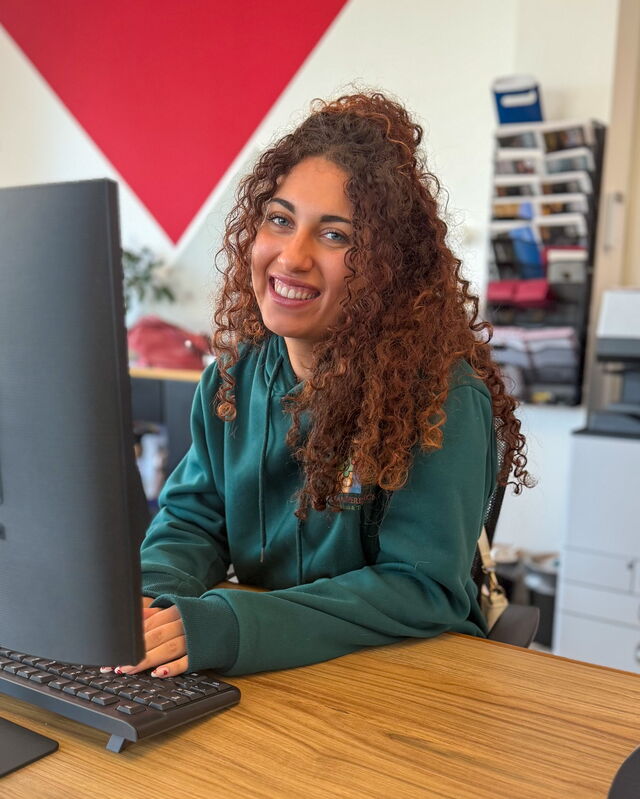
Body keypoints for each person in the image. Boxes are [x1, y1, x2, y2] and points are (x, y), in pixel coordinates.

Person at [112, 91, 531, 679]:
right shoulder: (232, 378)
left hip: (399, 681)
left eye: (335, 236)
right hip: (271, 676)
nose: (292, 257)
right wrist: (154, 601)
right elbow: (193, 520)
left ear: (387, 266)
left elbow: (422, 587)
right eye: (280, 220)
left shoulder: (439, 400)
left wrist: (232, 626)